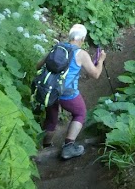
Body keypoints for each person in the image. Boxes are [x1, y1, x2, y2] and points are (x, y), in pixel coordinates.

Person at [41, 23, 106, 160]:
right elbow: (95, 74)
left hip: (50, 91)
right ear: (82, 39)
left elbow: (38, 66)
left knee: (51, 118)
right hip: (67, 93)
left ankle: (46, 146)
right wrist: (100, 61)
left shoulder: (57, 48)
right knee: (80, 113)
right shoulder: (81, 54)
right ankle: (68, 147)